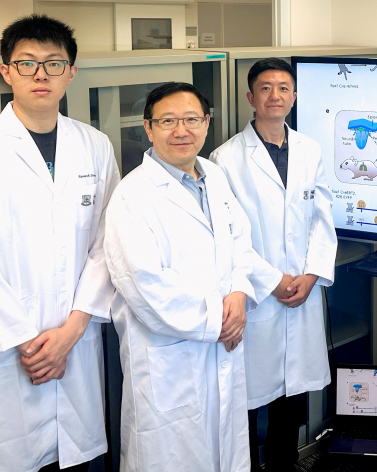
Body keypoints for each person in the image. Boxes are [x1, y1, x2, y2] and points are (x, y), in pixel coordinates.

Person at [0, 15, 119, 471]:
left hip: (74, 339)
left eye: (53, 63)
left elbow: (107, 245)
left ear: (71, 72)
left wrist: (72, 331)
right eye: (27, 63)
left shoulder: (96, 146)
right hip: (5, 351)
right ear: (6, 71)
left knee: (73, 462)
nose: (41, 74)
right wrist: (29, 344)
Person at [104, 82, 257, 472]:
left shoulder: (214, 176)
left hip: (222, 341)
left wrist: (239, 293)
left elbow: (241, 241)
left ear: (206, 123)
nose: (181, 131)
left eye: (191, 119)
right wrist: (217, 320)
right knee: (171, 456)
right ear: (148, 128)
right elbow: (144, 285)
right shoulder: (132, 196)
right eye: (168, 121)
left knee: (225, 450)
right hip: (170, 355)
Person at [210, 58, 337, 471]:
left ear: (294, 96)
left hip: (302, 292)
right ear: (251, 97)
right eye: (265, 88)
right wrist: (274, 280)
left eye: (283, 88)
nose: (275, 96)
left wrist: (312, 274)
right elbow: (228, 236)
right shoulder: (225, 158)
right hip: (256, 295)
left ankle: (284, 467)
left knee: (291, 403)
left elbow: (322, 217)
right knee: (247, 406)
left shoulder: (310, 150)